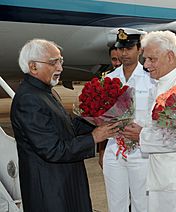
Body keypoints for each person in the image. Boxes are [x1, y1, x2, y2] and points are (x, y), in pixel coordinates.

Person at [10, 38, 119, 212]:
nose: (60, 68)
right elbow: (52, 150)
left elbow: (66, 128)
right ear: (33, 67)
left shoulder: (43, 92)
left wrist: (96, 119)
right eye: (53, 62)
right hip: (50, 189)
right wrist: (94, 138)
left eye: (60, 61)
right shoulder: (29, 100)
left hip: (63, 181)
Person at [124, 30, 176, 212]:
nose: (146, 65)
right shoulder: (163, 81)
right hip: (163, 177)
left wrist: (141, 135)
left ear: (170, 56)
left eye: (151, 59)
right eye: (145, 59)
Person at [102, 28, 157, 212]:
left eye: (129, 48)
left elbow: (155, 116)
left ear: (140, 49)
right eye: (121, 49)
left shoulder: (151, 79)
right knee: (116, 204)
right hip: (114, 149)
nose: (124, 53)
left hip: (140, 150)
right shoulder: (110, 79)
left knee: (142, 203)